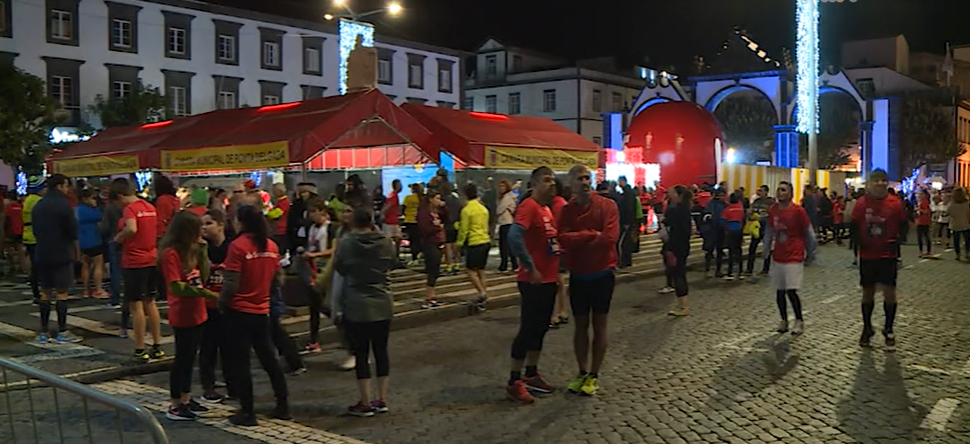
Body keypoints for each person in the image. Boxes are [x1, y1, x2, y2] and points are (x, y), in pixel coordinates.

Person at [218, 205, 290, 427]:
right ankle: (283, 405)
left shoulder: (237, 247)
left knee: (241, 363)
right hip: (262, 309)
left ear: (241, 222)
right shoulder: (270, 246)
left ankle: (247, 411)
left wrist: (222, 304)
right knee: (269, 359)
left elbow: (231, 283)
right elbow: (278, 278)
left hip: (240, 310)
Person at [558, 165, 619, 396]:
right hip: (579, 275)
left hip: (602, 273)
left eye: (587, 178)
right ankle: (582, 371)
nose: (584, 182)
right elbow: (562, 238)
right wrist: (589, 234)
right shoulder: (567, 211)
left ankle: (594, 374)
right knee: (580, 325)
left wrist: (580, 241)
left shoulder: (607, 205)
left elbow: (609, 238)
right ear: (571, 184)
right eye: (579, 179)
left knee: (599, 324)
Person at [332, 206, 396, 417]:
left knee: (361, 353)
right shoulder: (386, 242)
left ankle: (365, 401)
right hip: (383, 302)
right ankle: (382, 398)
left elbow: (340, 268)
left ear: (353, 223)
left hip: (356, 303)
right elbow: (392, 264)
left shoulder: (346, 243)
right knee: (381, 351)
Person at [505, 166, 559, 404]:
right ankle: (514, 380)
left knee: (541, 327)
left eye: (553, 180)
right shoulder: (528, 206)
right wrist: (530, 265)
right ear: (534, 184)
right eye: (546, 180)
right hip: (533, 279)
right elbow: (514, 237)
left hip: (548, 278)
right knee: (528, 329)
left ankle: (531, 373)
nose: (551, 184)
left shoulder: (546, 208)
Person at [160, 211, 219, 421]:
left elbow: (202, 276)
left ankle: (186, 397)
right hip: (183, 312)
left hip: (198, 310)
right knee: (182, 359)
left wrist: (203, 253)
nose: (202, 231)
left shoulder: (192, 250)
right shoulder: (171, 254)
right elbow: (176, 286)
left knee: (190, 357)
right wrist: (205, 293)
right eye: (197, 228)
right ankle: (176, 404)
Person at [850, 169, 908, 352]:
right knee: (868, 292)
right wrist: (858, 244)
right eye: (876, 180)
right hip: (868, 256)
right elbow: (853, 225)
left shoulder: (895, 203)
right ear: (869, 184)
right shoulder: (861, 204)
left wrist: (898, 241)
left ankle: (889, 329)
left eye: (884, 180)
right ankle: (867, 328)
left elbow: (904, 224)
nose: (880, 184)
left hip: (887, 256)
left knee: (889, 292)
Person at [113, 179, 164, 362]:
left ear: (120, 196)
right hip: (151, 257)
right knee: (150, 301)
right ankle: (157, 345)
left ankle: (140, 348)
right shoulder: (150, 207)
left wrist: (119, 238)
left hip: (134, 260)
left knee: (136, 305)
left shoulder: (130, 209)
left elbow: (132, 228)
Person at [31, 174, 82, 343]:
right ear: (60, 186)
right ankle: (62, 330)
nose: (68, 189)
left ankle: (43, 331)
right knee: (62, 292)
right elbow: (73, 231)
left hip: (42, 252)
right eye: (66, 186)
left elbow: (36, 230)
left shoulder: (39, 205)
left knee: (45, 291)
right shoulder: (64, 205)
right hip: (61, 252)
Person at [765, 181, 815, 335]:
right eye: (779, 189)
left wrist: (810, 251)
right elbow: (769, 230)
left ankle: (799, 320)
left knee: (791, 290)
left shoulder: (798, 211)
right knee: (779, 291)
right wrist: (766, 248)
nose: (780, 193)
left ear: (790, 193)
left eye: (784, 190)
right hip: (779, 255)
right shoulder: (773, 210)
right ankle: (783, 320)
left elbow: (809, 232)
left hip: (794, 254)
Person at [198, 210, 234, 403]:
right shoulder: (202, 248)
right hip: (207, 304)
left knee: (229, 347)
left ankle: (232, 384)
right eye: (202, 224)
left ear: (221, 225)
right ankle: (208, 386)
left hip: (228, 304)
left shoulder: (232, 247)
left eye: (209, 223)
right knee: (208, 347)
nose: (204, 227)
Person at [303, 197, 335, 353]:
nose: (311, 215)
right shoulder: (312, 228)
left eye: (314, 212)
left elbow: (334, 250)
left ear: (322, 211)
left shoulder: (331, 229)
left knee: (326, 305)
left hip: (326, 270)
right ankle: (314, 340)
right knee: (314, 307)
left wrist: (316, 255)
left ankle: (346, 330)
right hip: (313, 269)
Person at [456, 183, 491, 313]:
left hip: (474, 242)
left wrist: (459, 244)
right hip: (485, 240)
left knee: (471, 270)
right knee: (481, 270)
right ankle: (484, 296)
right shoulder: (483, 209)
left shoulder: (466, 210)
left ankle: (482, 293)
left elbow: (464, 229)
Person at [662, 185, 694, 316]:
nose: (670, 195)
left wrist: (670, 248)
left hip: (677, 247)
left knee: (678, 275)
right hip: (682, 246)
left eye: (672, 193)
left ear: (679, 195)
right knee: (679, 274)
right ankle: (682, 305)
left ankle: (684, 307)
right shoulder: (685, 209)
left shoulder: (678, 211)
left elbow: (675, 231)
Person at [76, 188, 107, 299]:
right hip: (94, 239)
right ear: (85, 199)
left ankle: (85, 290)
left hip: (82, 241)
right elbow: (101, 217)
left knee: (85, 265)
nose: (94, 201)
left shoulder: (77, 210)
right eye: (92, 198)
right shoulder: (93, 211)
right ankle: (98, 289)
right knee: (98, 265)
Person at [417, 191, 446, 308]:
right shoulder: (424, 213)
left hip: (438, 242)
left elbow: (447, 218)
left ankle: (432, 297)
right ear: (430, 199)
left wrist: (444, 208)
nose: (439, 201)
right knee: (432, 270)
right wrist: (437, 227)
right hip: (429, 243)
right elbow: (425, 229)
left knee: (436, 270)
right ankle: (428, 298)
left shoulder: (437, 211)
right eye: (437, 198)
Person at [22, 177, 45, 303]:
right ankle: (40, 293)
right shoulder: (38, 201)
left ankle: (36, 292)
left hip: (28, 235)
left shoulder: (28, 200)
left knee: (34, 267)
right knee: (39, 267)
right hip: (36, 236)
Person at [747, 185, 774, 276]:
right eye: (758, 190)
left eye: (761, 191)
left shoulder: (770, 202)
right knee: (752, 248)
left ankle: (765, 269)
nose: (759, 192)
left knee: (766, 248)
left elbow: (773, 214)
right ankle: (749, 269)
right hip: (756, 228)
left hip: (766, 227)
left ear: (766, 192)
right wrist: (750, 215)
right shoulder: (756, 201)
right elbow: (750, 211)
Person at [720, 191, 745, 280]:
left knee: (731, 251)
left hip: (730, 230)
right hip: (739, 229)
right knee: (739, 250)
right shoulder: (740, 208)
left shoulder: (727, 209)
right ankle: (741, 272)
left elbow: (722, 221)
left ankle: (730, 273)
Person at [496, 180, 518, 272]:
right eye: (500, 186)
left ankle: (504, 265)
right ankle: (514, 264)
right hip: (508, 222)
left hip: (506, 223)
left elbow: (499, 210)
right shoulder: (509, 196)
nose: (501, 188)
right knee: (509, 245)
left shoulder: (506, 197)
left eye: (503, 186)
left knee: (504, 246)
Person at [402, 184, 423, 266]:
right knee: (419, 240)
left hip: (410, 221)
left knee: (413, 241)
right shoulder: (422, 198)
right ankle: (420, 254)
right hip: (420, 221)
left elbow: (403, 208)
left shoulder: (408, 198)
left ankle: (414, 258)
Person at [382, 179, 403, 262]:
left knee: (398, 239)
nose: (401, 186)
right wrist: (383, 214)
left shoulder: (394, 195)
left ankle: (395, 258)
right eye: (400, 185)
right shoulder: (392, 196)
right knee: (389, 241)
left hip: (394, 221)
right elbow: (387, 206)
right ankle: (391, 258)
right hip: (389, 222)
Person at [4, 191, 23, 275]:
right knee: (20, 251)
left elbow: (6, 220)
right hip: (20, 230)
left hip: (11, 231)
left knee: (9, 250)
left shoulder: (8, 208)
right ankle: (21, 267)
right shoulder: (21, 206)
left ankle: (12, 266)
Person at [947, 187, 970, 261]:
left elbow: (948, 212)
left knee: (956, 240)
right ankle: (967, 252)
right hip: (965, 223)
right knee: (967, 239)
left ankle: (958, 254)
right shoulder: (966, 203)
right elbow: (968, 213)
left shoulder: (952, 203)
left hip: (955, 223)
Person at [915, 190, 933, 258]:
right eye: (919, 194)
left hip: (924, 221)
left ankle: (926, 251)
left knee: (924, 236)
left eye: (921, 194)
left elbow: (927, 211)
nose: (919, 195)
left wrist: (919, 210)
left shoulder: (925, 202)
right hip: (920, 221)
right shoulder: (920, 202)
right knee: (922, 237)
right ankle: (923, 251)